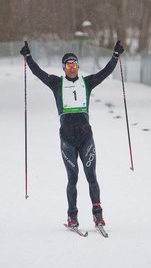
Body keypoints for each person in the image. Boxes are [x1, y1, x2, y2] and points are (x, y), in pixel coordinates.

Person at [19, 40, 124, 228]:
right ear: (64, 68)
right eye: (68, 65)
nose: (72, 68)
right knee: (72, 179)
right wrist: (28, 58)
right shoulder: (56, 84)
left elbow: (105, 72)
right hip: (67, 140)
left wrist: (115, 56)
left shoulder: (87, 83)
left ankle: (98, 215)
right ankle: (72, 216)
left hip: (86, 139)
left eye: (75, 64)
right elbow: (39, 73)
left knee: (91, 176)